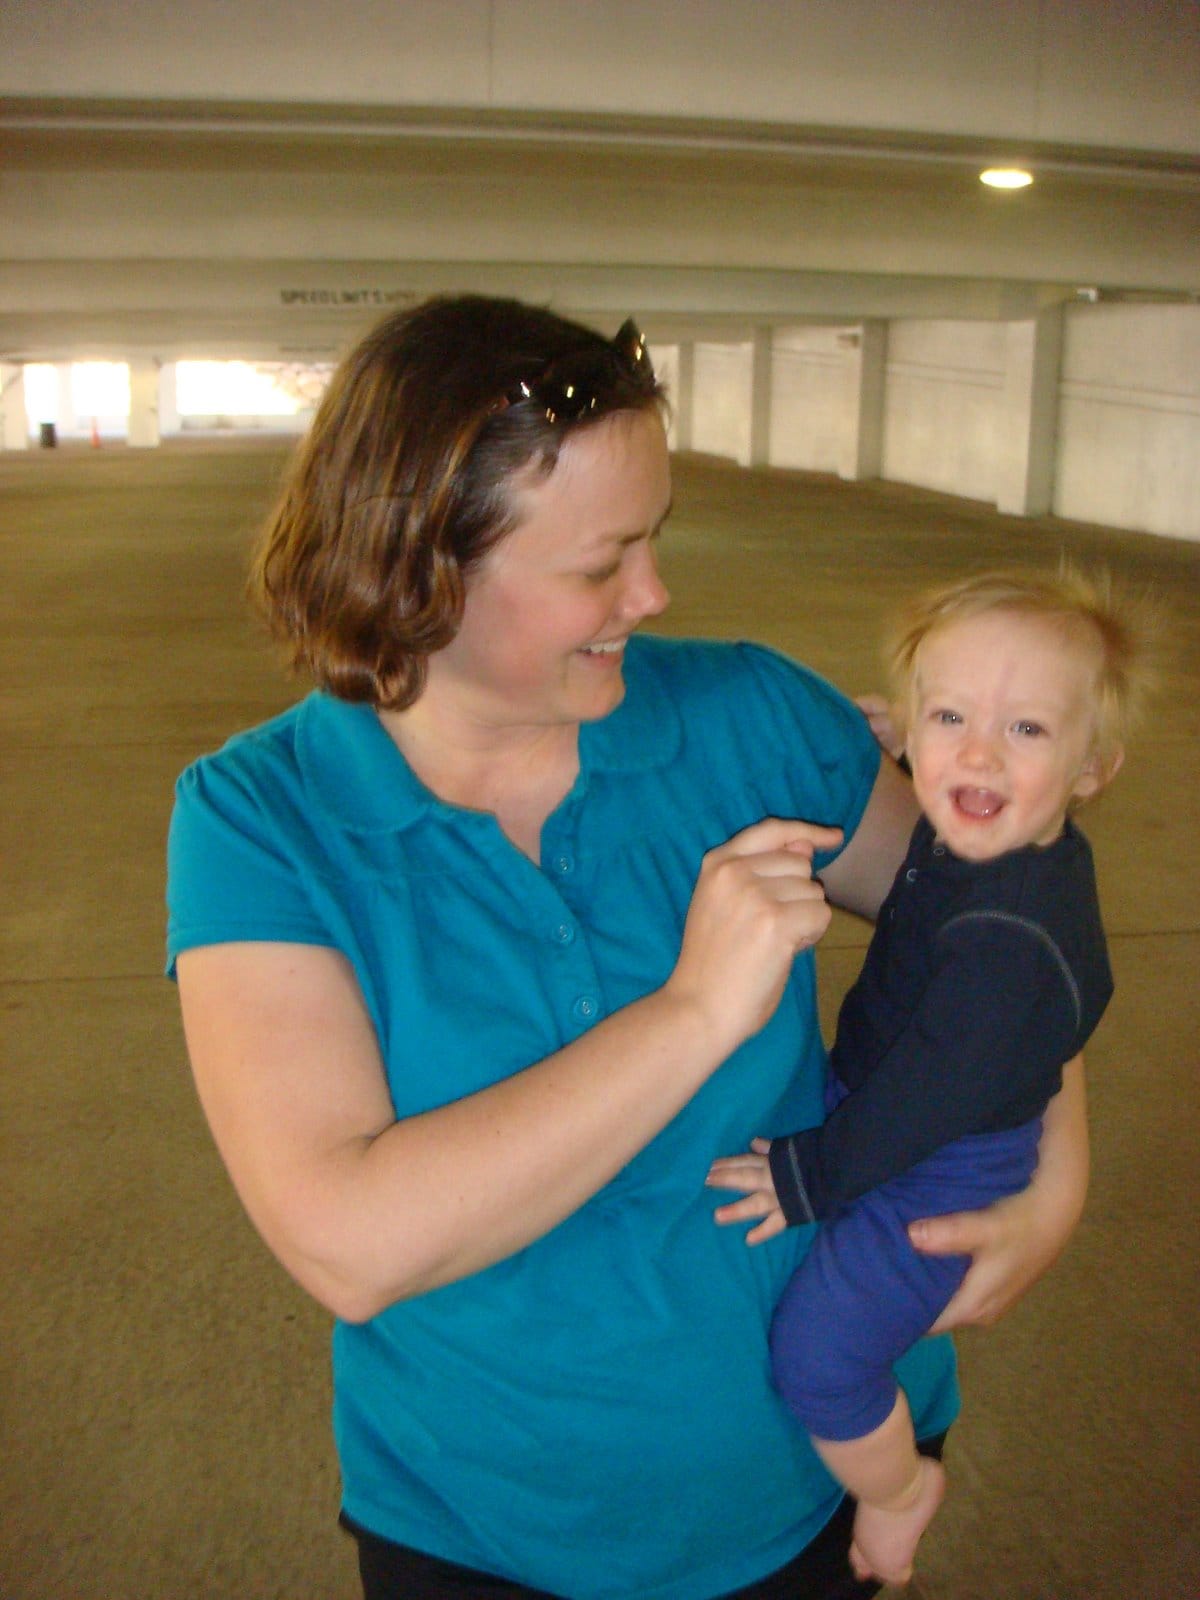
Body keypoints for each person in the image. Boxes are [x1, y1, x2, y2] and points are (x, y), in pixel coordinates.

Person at [167, 295, 1090, 1600]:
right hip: (488, 1529)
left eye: (654, 541)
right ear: (419, 566)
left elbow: (1000, 924)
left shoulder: (750, 716)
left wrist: (1055, 1167)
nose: (653, 594)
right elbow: (346, 1238)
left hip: (827, 1471)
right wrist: (695, 1011)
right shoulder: (260, 821)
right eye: (602, 565)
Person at [708, 568, 1151, 1587]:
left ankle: (898, 1488)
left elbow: (926, 1103)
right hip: (901, 1102)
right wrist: (907, 746)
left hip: (942, 1171)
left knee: (820, 1353)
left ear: (1094, 766)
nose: (980, 751)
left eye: (1029, 730)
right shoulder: (992, 838)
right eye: (950, 714)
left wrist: (814, 1176)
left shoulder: (1009, 938)